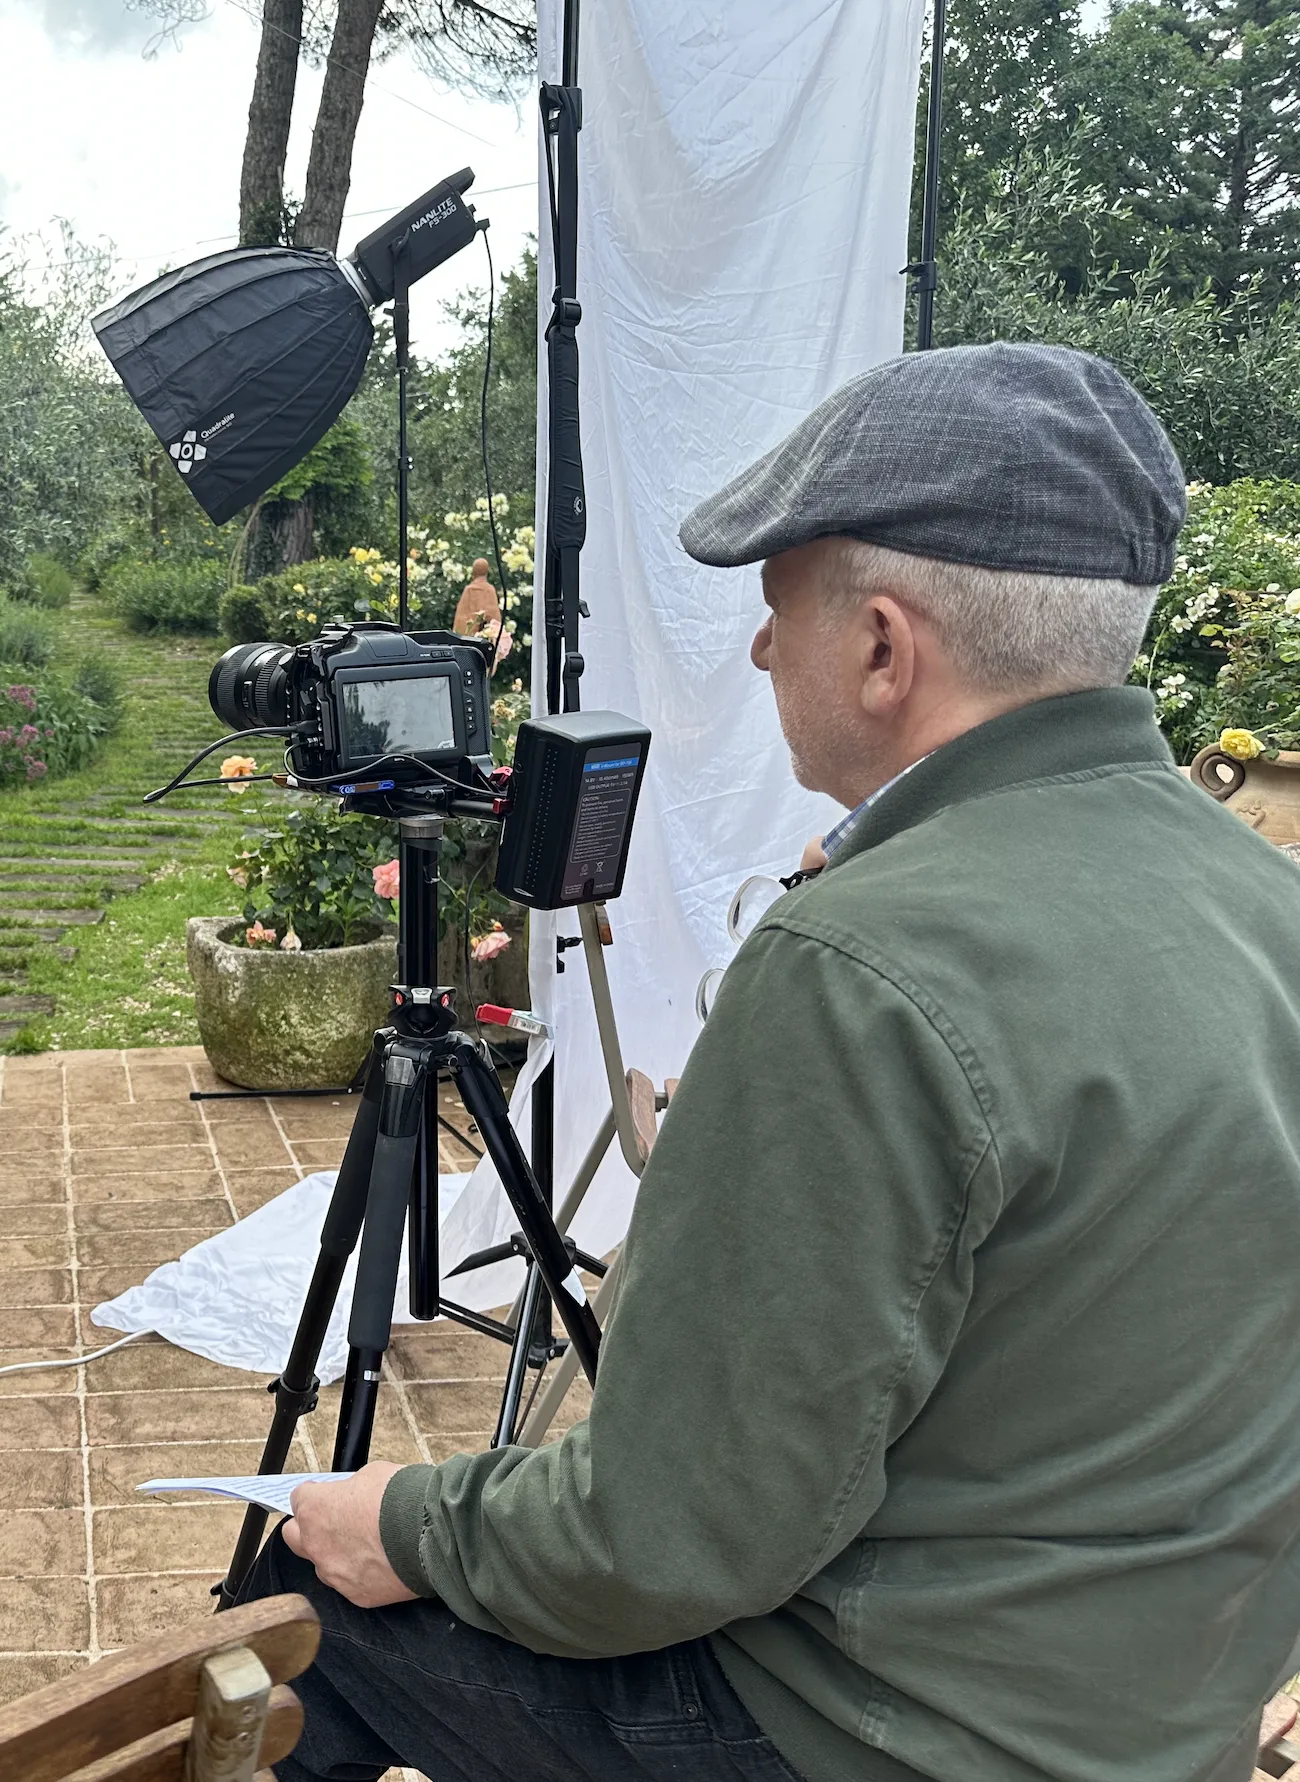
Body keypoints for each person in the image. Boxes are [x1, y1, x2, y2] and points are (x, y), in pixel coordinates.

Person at [243, 344, 1300, 1781]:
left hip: (880, 1732)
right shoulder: (1266, 902)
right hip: (1154, 1711)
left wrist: (408, 1518)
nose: (756, 649)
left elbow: (666, 1537)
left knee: (301, 1617)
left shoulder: (861, 964)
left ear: (881, 644)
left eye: (773, 604)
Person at [451, 557, 502, 644]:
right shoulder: (490, 590)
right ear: (487, 571)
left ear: (474, 571)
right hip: (485, 640)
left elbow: (461, 618)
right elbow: (495, 619)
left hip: (469, 639)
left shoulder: (469, 590)